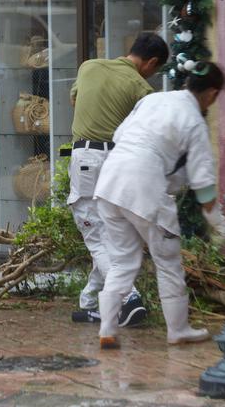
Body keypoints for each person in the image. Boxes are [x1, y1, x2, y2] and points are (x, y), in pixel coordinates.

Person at [93, 62, 225, 349]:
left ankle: (107, 328)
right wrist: (218, 223)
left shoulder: (152, 99)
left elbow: (120, 136)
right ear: (212, 94)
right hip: (144, 186)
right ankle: (178, 329)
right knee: (168, 261)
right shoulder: (194, 120)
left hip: (109, 181)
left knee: (121, 260)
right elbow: (203, 182)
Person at [67, 33, 169, 326]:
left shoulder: (89, 67)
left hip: (87, 159)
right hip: (121, 163)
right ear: (150, 63)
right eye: (156, 69)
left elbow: (75, 101)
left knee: (96, 234)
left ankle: (128, 297)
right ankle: (92, 302)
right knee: (110, 233)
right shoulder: (142, 88)